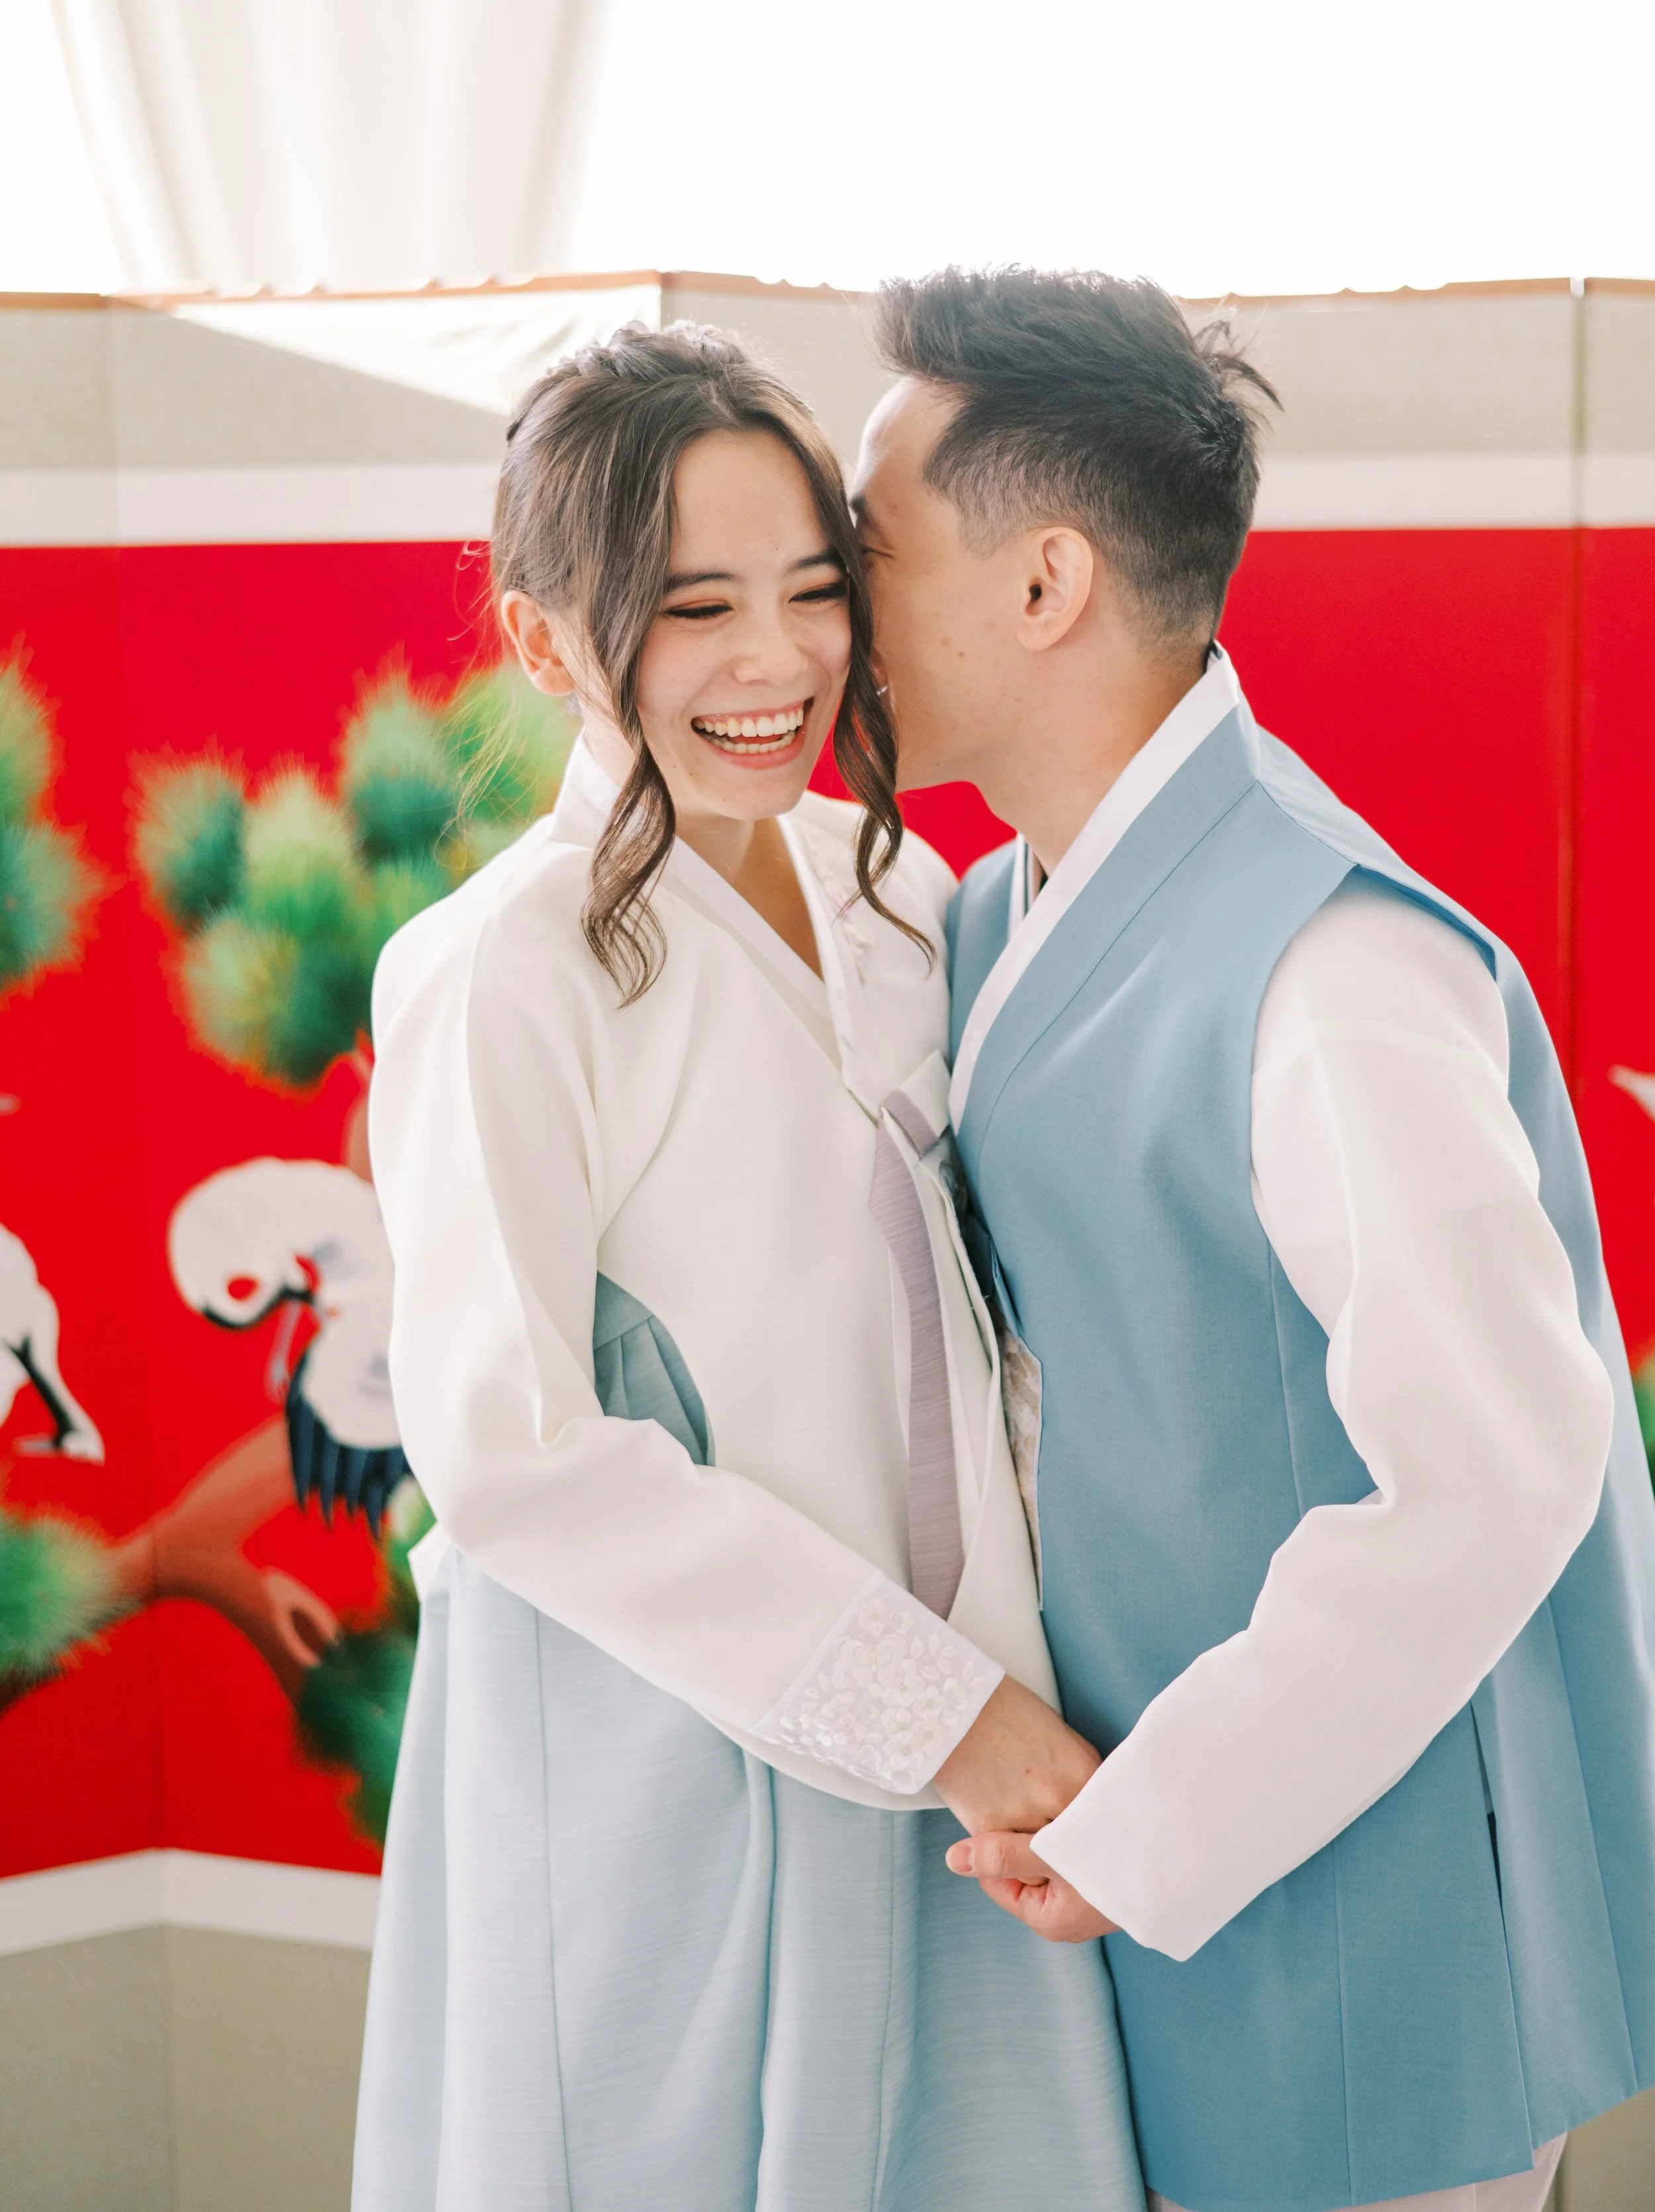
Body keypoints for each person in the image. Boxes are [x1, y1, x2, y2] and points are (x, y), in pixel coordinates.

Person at [851, 264, 1655, 2212]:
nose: (824, 603)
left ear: (1044, 581)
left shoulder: (1330, 960)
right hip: (1132, 1857)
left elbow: (1496, 1469)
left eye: (864, 547)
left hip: (1353, 1886)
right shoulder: (985, 916)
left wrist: (1157, 1822)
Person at [352, 323, 1145, 2212]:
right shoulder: (504, 967)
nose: (777, 661)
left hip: (975, 1728)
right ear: (548, 640)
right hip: (670, 1734)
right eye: (693, 607)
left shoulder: (900, 894)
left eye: (813, 588)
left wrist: (980, 1712)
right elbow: (514, 1452)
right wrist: (938, 1717)